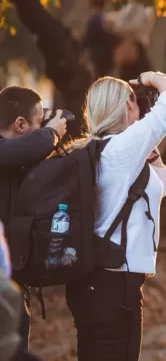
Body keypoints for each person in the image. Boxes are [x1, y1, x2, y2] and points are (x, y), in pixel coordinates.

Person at [64, 72, 166, 361]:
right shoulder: (122, 148)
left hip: (88, 280)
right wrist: (151, 77)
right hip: (115, 284)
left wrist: (150, 150)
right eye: (135, 103)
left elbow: (153, 191)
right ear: (128, 106)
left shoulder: (93, 150)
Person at [0, 86, 66, 361]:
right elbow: (25, 148)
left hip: (14, 278)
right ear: (20, 125)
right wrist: (52, 132)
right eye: (39, 122)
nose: (44, 128)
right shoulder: (7, 152)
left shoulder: (19, 156)